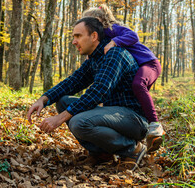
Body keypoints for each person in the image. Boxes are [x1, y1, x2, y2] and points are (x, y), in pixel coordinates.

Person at [27, 17, 148, 171]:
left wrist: (60, 118)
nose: (74, 41)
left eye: (78, 36)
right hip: (114, 116)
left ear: (94, 36)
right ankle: (101, 153)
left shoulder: (114, 54)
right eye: (73, 37)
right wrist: (43, 100)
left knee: (80, 122)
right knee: (63, 101)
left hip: (134, 120)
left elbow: (98, 91)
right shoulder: (94, 58)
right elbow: (72, 82)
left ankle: (133, 149)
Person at [82, 4, 164, 153]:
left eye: (88, 22)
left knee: (138, 85)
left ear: (99, 20)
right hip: (138, 66)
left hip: (148, 63)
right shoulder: (103, 36)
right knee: (131, 90)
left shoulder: (114, 29)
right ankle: (134, 133)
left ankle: (154, 124)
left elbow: (134, 36)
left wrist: (115, 42)